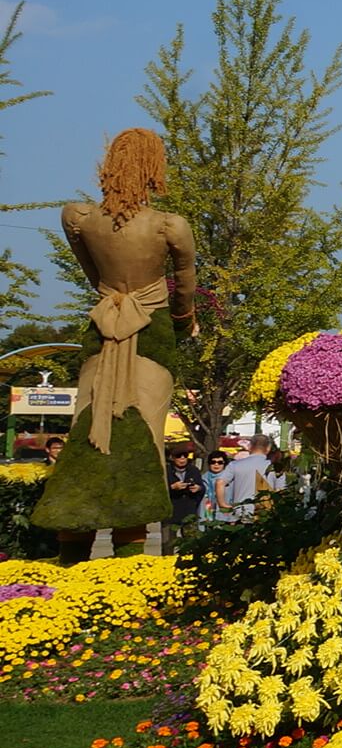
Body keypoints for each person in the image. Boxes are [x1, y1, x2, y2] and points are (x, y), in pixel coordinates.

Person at [31, 128, 199, 562]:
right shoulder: (169, 225)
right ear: (153, 168)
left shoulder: (78, 217)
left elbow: (92, 273)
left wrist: (112, 301)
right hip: (152, 330)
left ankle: (72, 545)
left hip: (102, 326)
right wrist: (183, 321)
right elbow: (184, 289)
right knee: (142, 428)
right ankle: (131, 551)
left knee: (86, 425)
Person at [215, 436, 277, 519]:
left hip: (241, 512)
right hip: (265, 514)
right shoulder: (274, 467)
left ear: (249, 446)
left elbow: (220, 483)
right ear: (268, 448)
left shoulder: (235, 465)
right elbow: (281, 490)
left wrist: (222, 504)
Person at [165, 445, 206, 546]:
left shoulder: (193, 470)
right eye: (179, 456)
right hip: (172, 512)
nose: (182, 458)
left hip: (189, 511)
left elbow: (202, 487)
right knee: (169, 542)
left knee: (190, 543)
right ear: (173, 457)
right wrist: (172, 487)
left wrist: (198, 488)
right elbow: (159, 490)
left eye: (185, 456)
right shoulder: (167, 471)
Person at [200, 451, 230, 523]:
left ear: (224, 464)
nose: (216, 464)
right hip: (206, 513)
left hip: (224, 514)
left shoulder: (229, 479)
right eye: (213, 462)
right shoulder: (202, 478)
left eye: (220, 462)